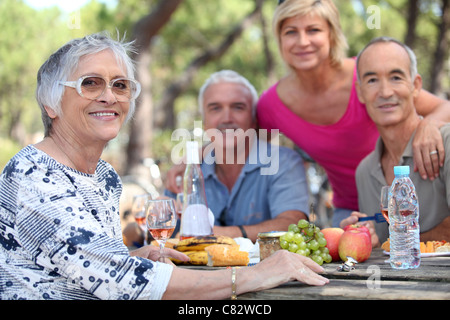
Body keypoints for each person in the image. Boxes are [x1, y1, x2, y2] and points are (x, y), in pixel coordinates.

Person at [0, 32, 328, 300]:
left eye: (120, 85)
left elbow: (81, 268)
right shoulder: (35, 176)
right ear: (51, 103)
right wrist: (254, 275)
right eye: (90, 83)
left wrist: (130, 258)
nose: (110, 96)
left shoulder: (104, 176)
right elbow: (120, 283)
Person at [256, 0, 450, 227]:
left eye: (313, 30)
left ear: (332, 34)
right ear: (279, 38)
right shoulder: (271, 106)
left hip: (407, 200)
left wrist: (429, 124)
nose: (303, 41)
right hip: (351, 210)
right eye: (291, 32)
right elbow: (260, 161)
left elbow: (443, 106)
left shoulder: (370, 75)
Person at [165, 70, 310, 243]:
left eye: (238, 107)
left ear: (254, 120)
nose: (226, 118)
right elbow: (163, 230)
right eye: (215, 108)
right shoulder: (187, 169)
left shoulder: (284, 161)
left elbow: (292, 225)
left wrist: (215, 234)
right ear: (205, 123)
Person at [341, 37, 450, 245]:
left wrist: (399, 244)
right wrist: (361, 235)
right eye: (372, 80)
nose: (385, 92)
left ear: (416, 85)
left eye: (396, 77)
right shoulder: (364, 171)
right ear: (360, 92)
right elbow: (381, 249)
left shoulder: (446, 142)